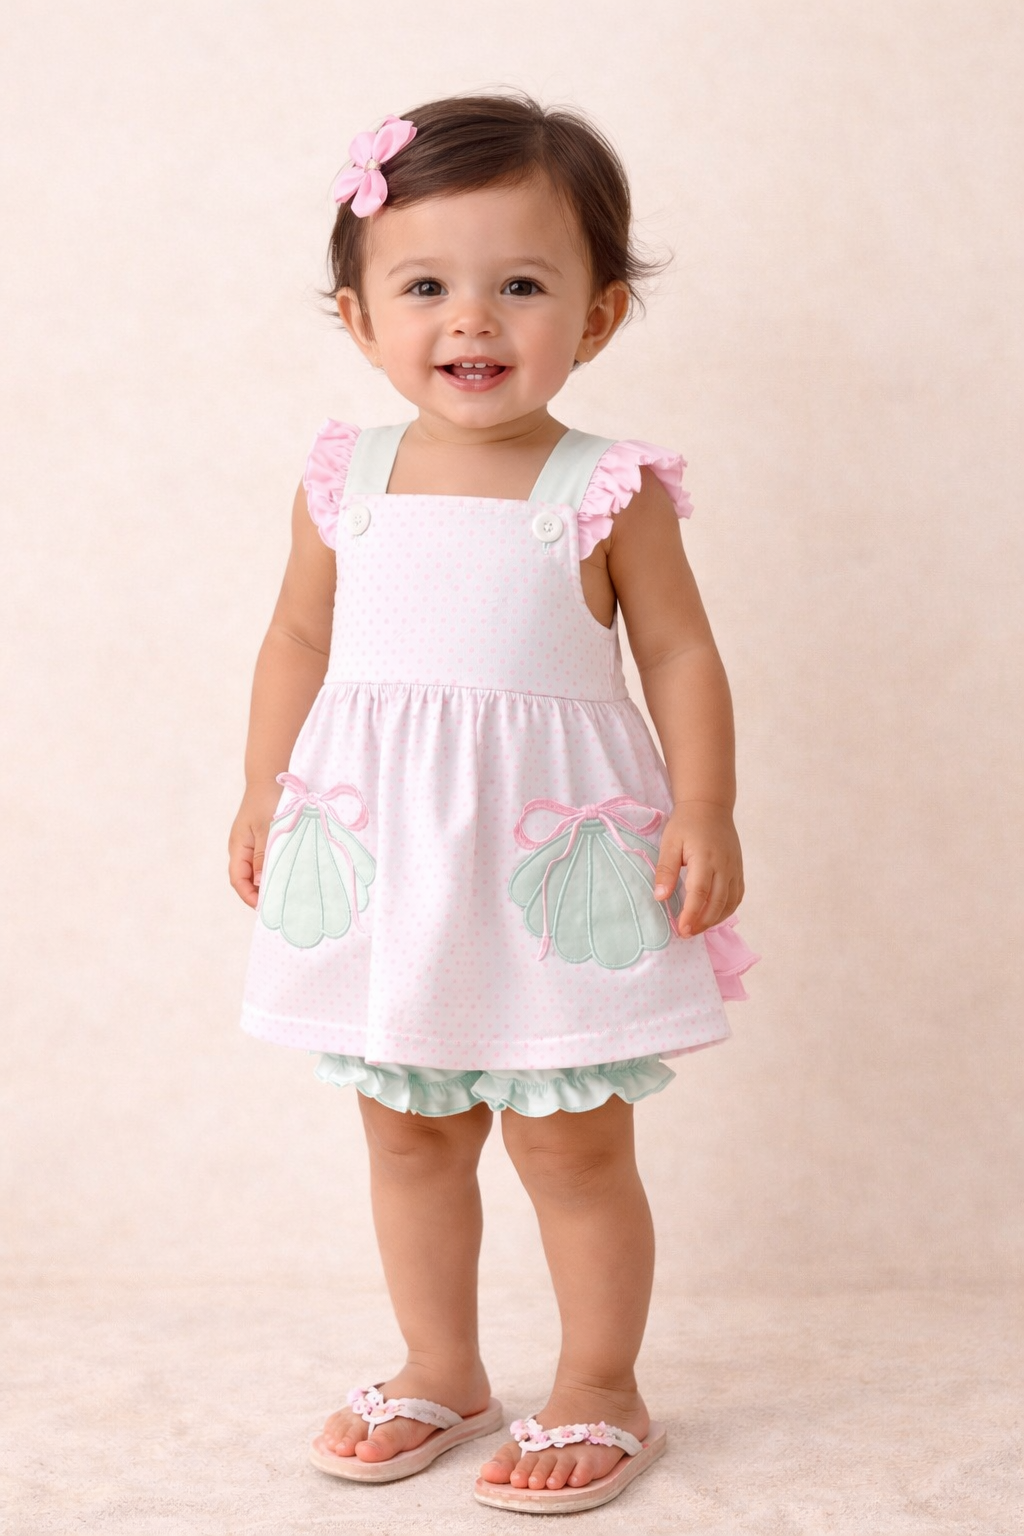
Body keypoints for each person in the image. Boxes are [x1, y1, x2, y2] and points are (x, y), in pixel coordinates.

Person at [228, 92, 758, 1515]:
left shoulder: (607, 489)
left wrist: (705, 806)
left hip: (549, 863)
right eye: (426, 288)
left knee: (569, 1138)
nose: (472, 319)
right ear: (360, 320)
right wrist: (265, 788)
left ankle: (602, 1381)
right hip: (388, 853)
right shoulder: (346, 478)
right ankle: (441, 1366)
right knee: (406, 1127)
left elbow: (679, 653)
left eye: (522, 284)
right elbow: (296, 638)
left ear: (596, 318)